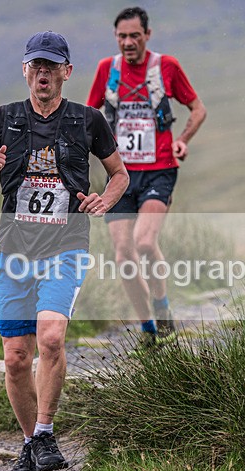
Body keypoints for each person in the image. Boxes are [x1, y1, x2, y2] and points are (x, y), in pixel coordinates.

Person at [0, 31, 129, 471]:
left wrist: (105, 202)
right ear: (25, 70)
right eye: (36, 65)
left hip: (64, 246)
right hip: (12, 252)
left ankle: (46, 431)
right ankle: (32, 444)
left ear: (67, 72)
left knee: (50, 336)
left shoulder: (88, 121)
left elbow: (119, 175)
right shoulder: (2, 118)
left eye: (52, 66)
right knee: (15, 357)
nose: (43, 73)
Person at [86, 6, 206, 345]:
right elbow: (89, 115)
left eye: (134, 36)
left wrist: (182, 140)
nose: (127, 42)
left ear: (147, 36)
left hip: (159, 170)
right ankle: (149, 328)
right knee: (123, 254)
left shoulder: (165, 67)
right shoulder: (106, 70)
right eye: (122, 36)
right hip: (120, 175)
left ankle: (162, 305)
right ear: (116, 37)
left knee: (143, 241)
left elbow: (198, 108)